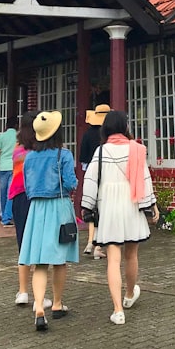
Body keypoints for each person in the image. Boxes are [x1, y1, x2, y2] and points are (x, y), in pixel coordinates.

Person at [80, 110, 158, 326]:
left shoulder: (101, 151)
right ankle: (130, 294)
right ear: (125, 127)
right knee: (131, 256)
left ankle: (118, 310)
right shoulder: (137, 150)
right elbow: (145, 178)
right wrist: (151, 205)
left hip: (110, 206)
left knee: (113, 260)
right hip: (131, 204)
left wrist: (86, 207)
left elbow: (90, 180)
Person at [17, 111, 79, 332]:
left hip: (36, 209)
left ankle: (39, 309)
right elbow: (71, 183)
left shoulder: (30, 156)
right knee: (59, 259)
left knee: (40, 262)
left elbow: (26, 184)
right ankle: (58, 304)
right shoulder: (64, 154)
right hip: (58, 206)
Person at [9, 113, 52, 312]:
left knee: (23, 243)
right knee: (38, 244)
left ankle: (23, 291)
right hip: (37, 197)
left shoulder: (17, 150)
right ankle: (39, 296)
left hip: (18, 198)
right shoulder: (40, 150)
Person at [79, 103, 111, 259]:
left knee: (91, 209)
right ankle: (98, 245)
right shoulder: (108, 136)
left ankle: (90, 240)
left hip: (90, 176)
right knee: (103, 209)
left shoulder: (87, 134)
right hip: (107, 176)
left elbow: (83, 160)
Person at [0, 121, 18, 226]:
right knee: (11, 193)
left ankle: (3, 215)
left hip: (3, 168)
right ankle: (7, 218)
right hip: (14, 167)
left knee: (3, 193)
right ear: (16, 125)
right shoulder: (19, 137)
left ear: (6, 126)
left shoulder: (1, 137)